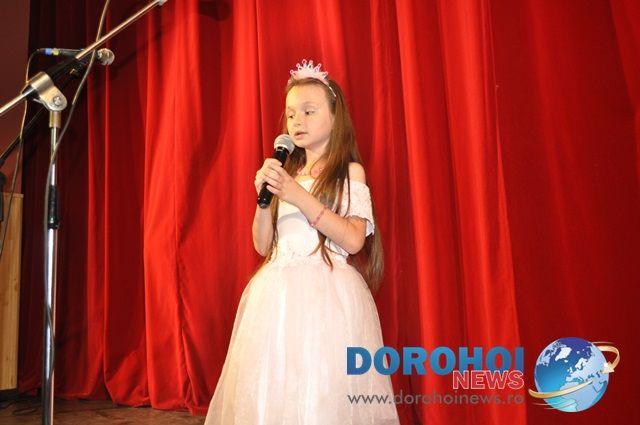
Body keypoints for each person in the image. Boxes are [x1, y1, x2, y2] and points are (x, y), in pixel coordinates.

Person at [204, 59, 399, 425]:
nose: (297, 121)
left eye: (309, 111)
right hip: (275, 296)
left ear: (335, 118)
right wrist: (264, 199)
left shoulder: (349, 172)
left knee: (320, 386)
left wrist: (297, 195)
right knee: (274, 387)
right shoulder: (287, 174)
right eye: (291, 114)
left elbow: (354, 240)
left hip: (327, 295)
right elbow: (263, 245)